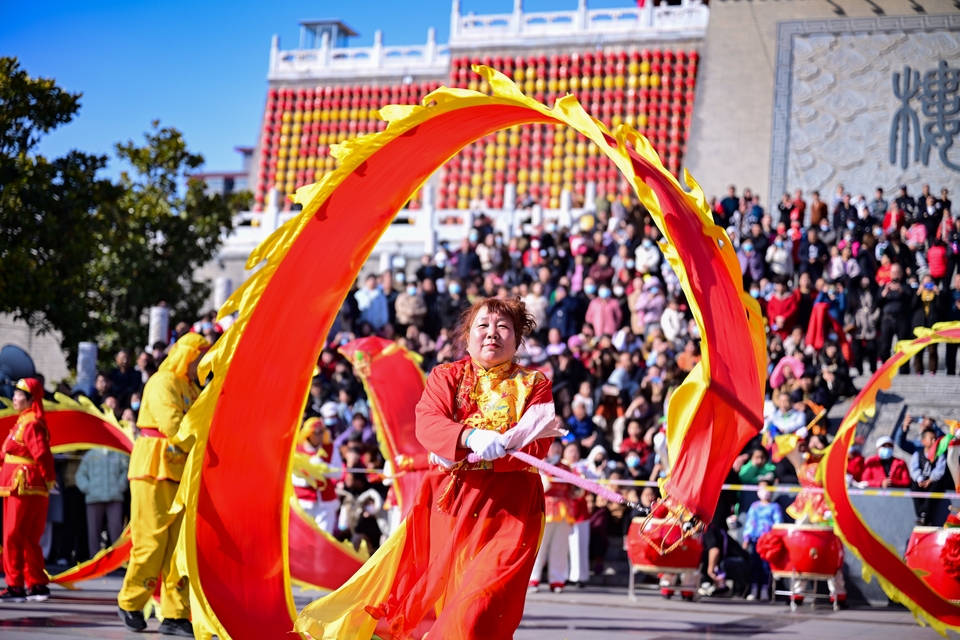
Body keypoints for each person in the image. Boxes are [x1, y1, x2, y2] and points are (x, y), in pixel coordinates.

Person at [296, 297, 558, 639]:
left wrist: (497, 450)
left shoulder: (536, 384)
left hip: (511, 512)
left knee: (481, 606)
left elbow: (538, 442)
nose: (492, 333)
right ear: (467, 337)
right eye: (483, 326)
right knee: (441, 602)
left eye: (503, 327)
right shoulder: (447, 375)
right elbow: (428, 423)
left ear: (517, 339)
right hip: (453, 504)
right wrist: (468, 437)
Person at [117, 333, 208, 636]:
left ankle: (174, 613)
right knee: (151, 541)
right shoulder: (162, 381)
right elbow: (173, 425)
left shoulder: (193, 387)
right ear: (186, 355)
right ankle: (130, 601)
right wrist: (206, 443)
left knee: (176, 547)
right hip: (153, 467)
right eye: (198, 357)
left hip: (180, 471)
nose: (200, 363)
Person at [0, 378, 55, 603]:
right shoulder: (24, 421)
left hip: (22, 485)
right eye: (14, 393)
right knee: (29, 537)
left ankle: (15, 586)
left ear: (31, 399)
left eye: (19, 394)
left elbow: (41, 454)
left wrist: (50, 479)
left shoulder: (30, 423)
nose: (14, 397)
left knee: (13, 536)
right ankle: (37, 584)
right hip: (24, 485)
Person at [529, 440, 575, 593]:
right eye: (553, 446)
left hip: (563, 510)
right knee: (539, 547)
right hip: (546, 509)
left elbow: (573, 491)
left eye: (558, 447)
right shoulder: (539, 464)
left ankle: (557, 580)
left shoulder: (566, 468)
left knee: (559, 547)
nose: (555, 449)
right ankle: (533, 579)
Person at [75, 447, 129, 560]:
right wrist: (88, 488)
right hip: (94, 498)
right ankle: (95, 560)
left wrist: (120, 487)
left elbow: (126, 470)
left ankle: (117, 559)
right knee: (93, 530)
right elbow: (80, 475)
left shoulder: (118, 454)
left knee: (116, 528)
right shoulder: (90, 454)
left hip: (115, 497)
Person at [293, 417, 342, 534]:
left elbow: (339, 473)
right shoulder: (296, 450)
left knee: (324, 541)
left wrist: (323, 467)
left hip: (326, 503)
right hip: (304, 502)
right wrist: (308, 478)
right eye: (317, 432)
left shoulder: (330, 448)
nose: (320, 435)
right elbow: (291, 477)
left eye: (322, 431)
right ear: (308, 433)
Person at [741, 480, 783, 601]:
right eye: (761, 488)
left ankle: (765, 590)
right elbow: (749, 522)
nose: (764, 491)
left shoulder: (775, 507)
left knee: (766, 566)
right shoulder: (754, 506)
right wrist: (746, 538)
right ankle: (754, 590)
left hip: (769, 542)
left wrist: (775, 538)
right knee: (755, 564)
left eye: (766, 488)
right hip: (755, 540)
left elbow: (778, 523)